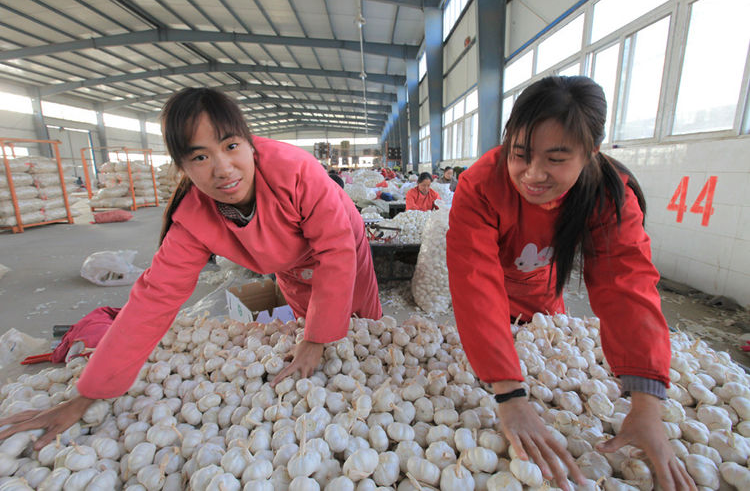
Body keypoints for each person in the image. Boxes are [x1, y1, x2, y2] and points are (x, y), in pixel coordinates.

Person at [0, 87, 382, 449]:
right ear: (182, 167)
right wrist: (85, 397)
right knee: (313, 338)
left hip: (343, 246)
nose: (223, 168)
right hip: (288, 266)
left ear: (249, 143)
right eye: (200, 157)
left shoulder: (296, 170)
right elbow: (153, 301)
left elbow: (335, 250)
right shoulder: (193, 218)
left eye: (231, 146)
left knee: (362, 331)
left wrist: (316, 339)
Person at [446, 76, 696, 491]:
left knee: (543, 340)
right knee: (491, 333)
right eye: (520, 153)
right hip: (493, 290)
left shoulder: (607, 194)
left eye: (556, 159)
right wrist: (509, 393)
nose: (533, 173)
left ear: (590, 152)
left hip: (542, 295)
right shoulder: (481, 184)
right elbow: (475, 283)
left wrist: (647, 402)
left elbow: (626, 287)